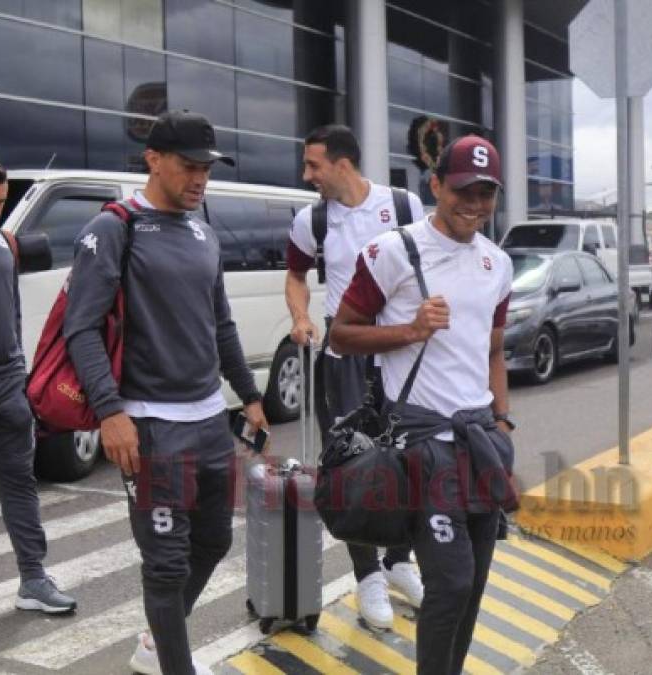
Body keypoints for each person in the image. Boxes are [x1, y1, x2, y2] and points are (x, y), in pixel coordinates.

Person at [64, 111, 269, 675]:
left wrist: (250, 396)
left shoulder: (203, 231)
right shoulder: (115, 228)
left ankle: (155, 646)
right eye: (189, 165)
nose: (200, 178)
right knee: (166, 565)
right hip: (150, 424)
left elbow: (221, 323)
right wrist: (110, 412)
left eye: (207, 167)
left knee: (214, 542)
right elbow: (80, 328)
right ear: (153, 160)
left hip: (208, 420)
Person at [329, 134, 516, 674]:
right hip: (421, 444)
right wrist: (410, 330)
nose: (475, 204)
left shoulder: (497, 264)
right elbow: (341, 334)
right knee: (451, 582)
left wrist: (501, 422)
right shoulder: (393, 251)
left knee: (474, 585)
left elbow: (494, 350)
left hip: (480, 442)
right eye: (463, 191)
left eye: (487, 194)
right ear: (435, 185)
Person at [285, 124, 425, 629]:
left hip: (398, 354)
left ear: (342, 163)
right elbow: (296, 276)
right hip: (343, 357)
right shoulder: (313, 220)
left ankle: (400, 563)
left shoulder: (405, 206)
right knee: (351, 469)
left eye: (313, 165)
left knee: (408, 461)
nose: (307, 176)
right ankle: (367, 578)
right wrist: (300, 317)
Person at [0, 155, 77, 614]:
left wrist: (20, 373)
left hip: (7, 386)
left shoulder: (5, 243)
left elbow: (9, 311)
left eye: (0, 200)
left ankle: (33, 579)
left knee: (20, 483)